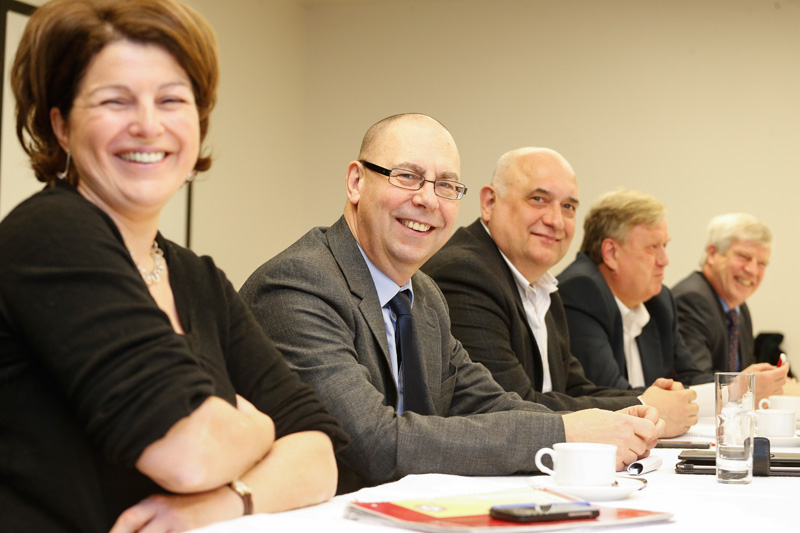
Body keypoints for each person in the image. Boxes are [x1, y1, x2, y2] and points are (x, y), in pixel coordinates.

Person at [1, 1, 346, 532]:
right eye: (115, 101)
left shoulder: (197, 277)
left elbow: (319, 454)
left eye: (171, 100)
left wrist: (230, 500)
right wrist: (257, 429)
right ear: (61, 126)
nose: (147, 125)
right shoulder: (50, 234)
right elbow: (188, 455)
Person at [240, 113, 665, 495]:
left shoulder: (423, 296)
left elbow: (490, 403)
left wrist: (608, 423)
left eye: (445, 185)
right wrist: (565, 432)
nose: (428, 200)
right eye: (406, 176)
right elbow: (372, 445)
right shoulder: (299, 284)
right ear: (356, 182)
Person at [421, 148, 698, 438]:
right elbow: (510, 407)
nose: (556, 220)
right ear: (490, 202)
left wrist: (652, 400)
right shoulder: (466, 273)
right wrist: (642, 405)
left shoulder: (542, 284)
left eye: (568, 207)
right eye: (538, 199)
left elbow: (574, 386)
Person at [556, 190, 711, 392]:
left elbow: (690, 377)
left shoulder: (659, 301)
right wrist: (671, 400)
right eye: (653, 247)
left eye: (664, 246)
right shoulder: (580, 292)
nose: (664, 260)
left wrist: (736, 388)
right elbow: (609, 394)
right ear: (611, 253)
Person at [672, 213, 789, 401]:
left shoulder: (740, 309)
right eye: (744, 257)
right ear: (712, 254)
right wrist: (748, 384)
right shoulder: (691, 299)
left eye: (761, 263)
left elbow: (743, 372)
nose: (752, 270)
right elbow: (696, 382)